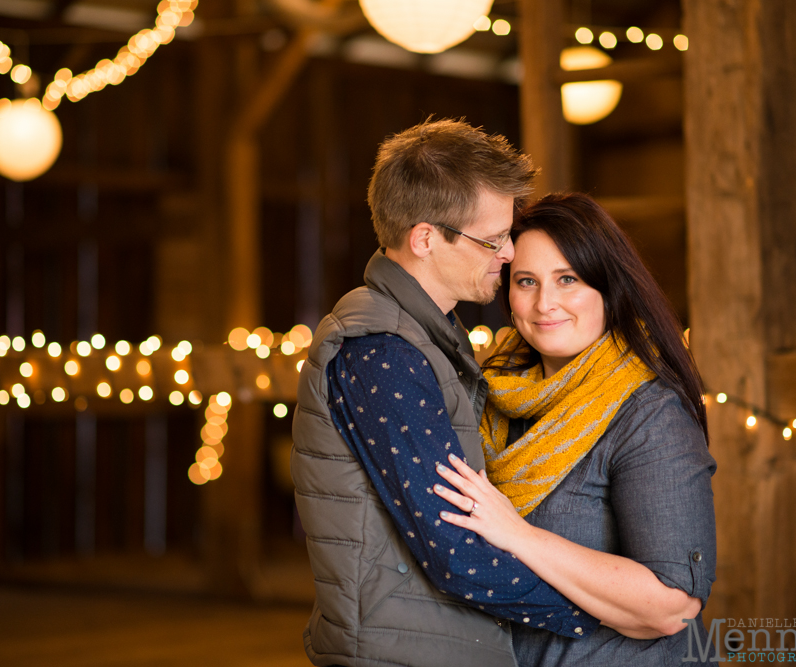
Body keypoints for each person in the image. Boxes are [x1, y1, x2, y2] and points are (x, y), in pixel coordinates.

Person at [290, 121, 600, 667]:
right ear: (425, 238)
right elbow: (457, 552)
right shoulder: (382, 351)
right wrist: (603, 615)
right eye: (492, 239)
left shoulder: (429, 335)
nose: (508, 254)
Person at [432, 193, 718, 665]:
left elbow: (673, 606)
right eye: (526, 281)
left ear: (609, 288)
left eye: (568, 279)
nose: (545, 303)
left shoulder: (650, 414)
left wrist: (516, 533)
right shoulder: (493, 396)